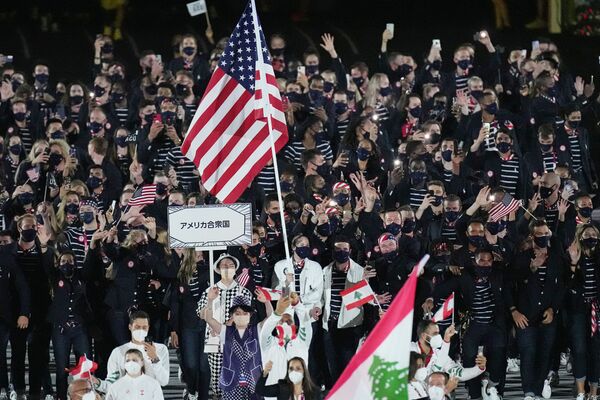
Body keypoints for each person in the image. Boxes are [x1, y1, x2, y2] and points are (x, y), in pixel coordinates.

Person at [204, 292, 262, 400]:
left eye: (245, 313)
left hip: (254, 383)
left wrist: (267, 301)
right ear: (232, 316)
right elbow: (209, 319)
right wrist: (210, 300)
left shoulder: (256, 330)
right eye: (238, 313)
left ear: (250, 315)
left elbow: (272, 319)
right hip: (231, 384)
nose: (241, 316)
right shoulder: (226, 331)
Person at [95, 311, 169, 393]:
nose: (141, 330)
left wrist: (155, 358)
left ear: (148, 327)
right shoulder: (118, 352)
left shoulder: (161, 349)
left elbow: (164, 381)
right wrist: (98, 383)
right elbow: (112, 384)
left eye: (144, 327)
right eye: (137, 327)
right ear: (130, 327)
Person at [256, 358, 321, 400]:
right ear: (288, 371)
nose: (294, 371)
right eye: (291, 369)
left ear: (304, 372)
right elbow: (260, 390)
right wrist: (265, 373)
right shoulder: (281, 388)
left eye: (298, 368)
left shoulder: (315, 392)